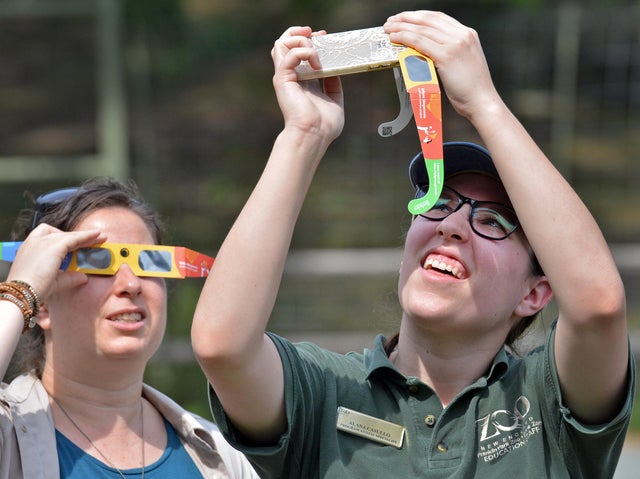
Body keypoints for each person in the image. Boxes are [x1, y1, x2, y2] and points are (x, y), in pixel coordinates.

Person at [191, 10, 635, 478]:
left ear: (534, 293)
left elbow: (598, 306)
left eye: (491, 220)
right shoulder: (325, 390)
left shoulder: (548, 397)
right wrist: (304, 134)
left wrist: (483, 104)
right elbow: (223, 344)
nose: (453, 225)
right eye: (438, 203)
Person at [0, 177, 259, 478]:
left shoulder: (222, 455)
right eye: (99, 263)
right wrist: (19, 293)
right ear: (42, 304)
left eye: (148, 263)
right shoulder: (9, 437)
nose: (131, 284)